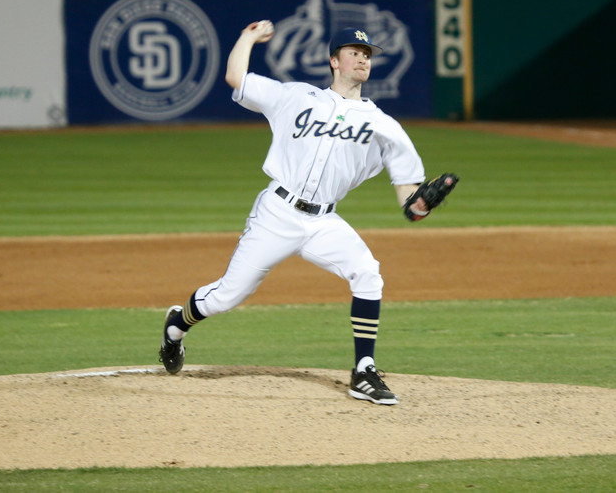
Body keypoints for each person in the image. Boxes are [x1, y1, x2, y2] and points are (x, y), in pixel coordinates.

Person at [158, 20, 439, 405]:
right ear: (334, 61)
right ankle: (176, 326)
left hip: (323, 221)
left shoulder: (384, 126)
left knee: (367, 272)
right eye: (354, 52)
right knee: (226, 297)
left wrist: (421, 205)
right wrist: (247, 37)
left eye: (368, 54)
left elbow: (409, 200)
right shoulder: (296, 97)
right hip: (277, 213)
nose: (362, 59)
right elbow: (235, 77)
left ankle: (364, 371)